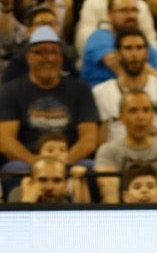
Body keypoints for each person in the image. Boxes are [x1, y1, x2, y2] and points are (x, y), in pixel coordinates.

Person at [0, 25, 95, 184]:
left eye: (54, 52)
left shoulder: (81, 89)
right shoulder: (10, 91)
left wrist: (64, 162)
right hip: (28, 163)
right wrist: (37, 163)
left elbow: (89, 138)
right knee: (14, 169)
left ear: (61, 58)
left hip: (69, 161)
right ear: (29, 57)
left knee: (90, 168)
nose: (49, 58)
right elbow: (6, 141)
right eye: (41, 52)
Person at [92, 87, 157, 202]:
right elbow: (110, 194)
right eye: (133, 111)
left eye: (146, 110)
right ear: (121, 117)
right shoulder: (108, 151)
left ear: (153, 115)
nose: (140, 117)